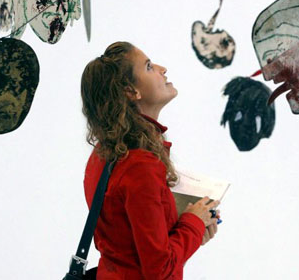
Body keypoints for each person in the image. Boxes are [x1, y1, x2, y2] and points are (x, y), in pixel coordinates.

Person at [82, 41, 221, 279]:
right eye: (148, 67)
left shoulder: (102, 154)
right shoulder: (140, 166)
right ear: (131, 91)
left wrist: (191, 231)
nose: (162, 68)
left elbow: (127, 243)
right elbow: (160, 270)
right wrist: (193, 223)